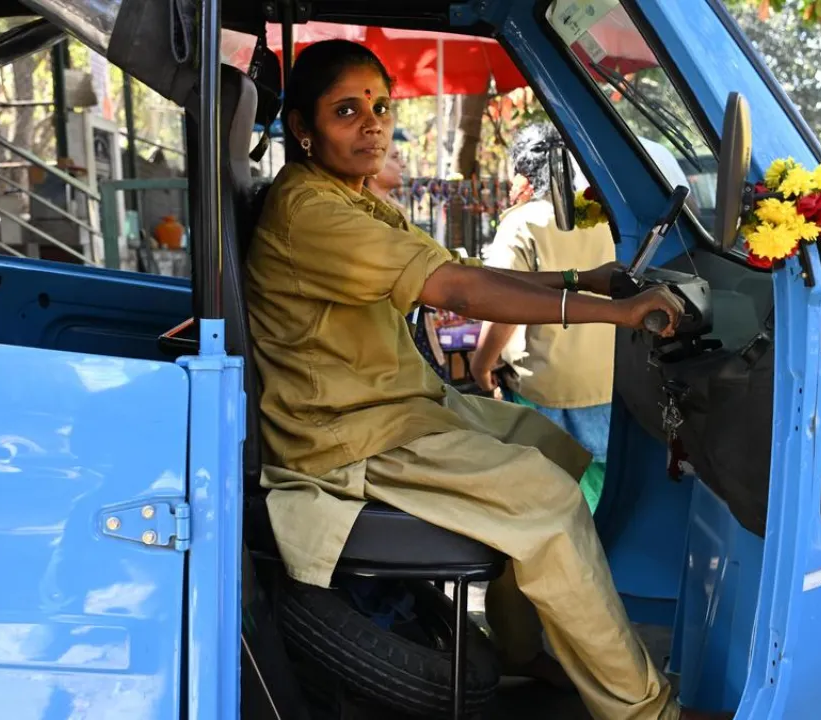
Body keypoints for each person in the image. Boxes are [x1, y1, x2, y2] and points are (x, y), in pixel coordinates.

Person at [247, 39, 726, 720]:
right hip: (351, 436)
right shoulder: (313, 213)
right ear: (302, 128)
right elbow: (462, 291)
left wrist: (575, 278)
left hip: (400, 407)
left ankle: (518, 648)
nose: (372, 124)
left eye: (380, 106)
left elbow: (461, 271)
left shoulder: (351, 198)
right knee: (551, 507)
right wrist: (611, 310)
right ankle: (645, 712)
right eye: (346, 111)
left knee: (549, 448)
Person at [470, 122, 618, 514]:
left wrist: (481, 366)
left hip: (543, 389)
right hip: (609, 385)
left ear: (520, 174)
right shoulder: (603, 217)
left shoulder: (522, 222)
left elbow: (501, 305)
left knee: (549, 499)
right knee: (600, 493)